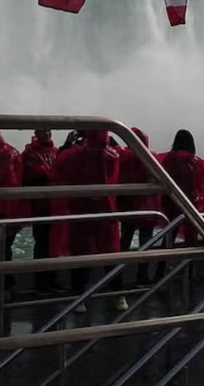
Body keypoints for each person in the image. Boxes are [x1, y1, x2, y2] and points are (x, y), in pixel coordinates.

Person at [56, 130, 124, 313]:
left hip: (81, 207)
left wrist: (68, 144)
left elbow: (59, 165)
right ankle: (118, 295)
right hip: (106, 209)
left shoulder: (74, 154)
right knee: (111, 253)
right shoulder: (113, 155)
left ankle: (79, 297)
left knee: (80, 253)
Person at [118, 127, 160, 285]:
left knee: (124, 242)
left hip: (128, 207)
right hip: (147, 209)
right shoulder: (152, 158)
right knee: (146, 243)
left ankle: (117, 276)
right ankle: (142, 276)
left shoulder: (124, 158)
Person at [21, 129, 59, 294]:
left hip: (55, 205)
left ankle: (52, 280)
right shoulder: (30, 153)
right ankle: (41, 284)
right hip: (40, 206)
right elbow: (28, 177)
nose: (48, 134)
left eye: (49, 131)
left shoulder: (55, 152)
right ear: (37, 133)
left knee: (53, 245)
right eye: (44, 131)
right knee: (42, 243)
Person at [162, 129, 204, 246]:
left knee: (169, 234)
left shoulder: (169, 159)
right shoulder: (195, 160)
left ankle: (161, 263)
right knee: (191, 237)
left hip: (172, 201)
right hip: (191, 202)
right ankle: (188, 263)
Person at [0, 130, 23, 297]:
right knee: (3, 249)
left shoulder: (0, 155)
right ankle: (8, 286)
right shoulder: (12, 151)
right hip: (11, 209)